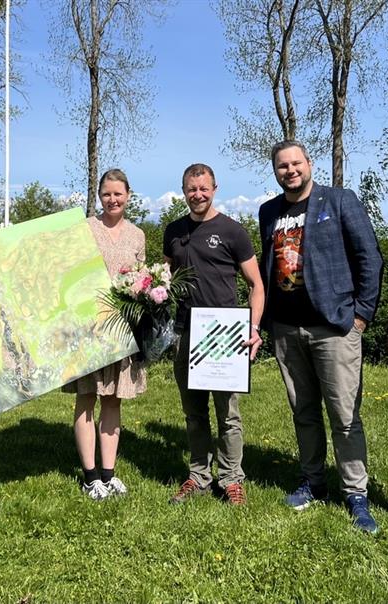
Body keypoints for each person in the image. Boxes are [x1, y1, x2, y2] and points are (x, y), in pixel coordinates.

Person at [258, 140, 383, 533]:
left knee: (345, 416)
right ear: (275, 172)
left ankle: (356, 494)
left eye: (296, 163)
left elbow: (370, 257)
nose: (290, 171)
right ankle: (313, 483)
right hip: (286, 330)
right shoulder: (269, 212)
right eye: (282, 166)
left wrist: (361, 316)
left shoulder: (340, 201)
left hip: (334, 328)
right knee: (304, 412)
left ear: (309, 164)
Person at [163, 163, 264, 505]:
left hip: (224, 334)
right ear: (183, 190)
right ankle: (198, 475)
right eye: (192, 189)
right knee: (194, 413)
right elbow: (164, 279)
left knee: (228, 415)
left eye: (204, 188)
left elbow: (256, 285)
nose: (198, 195)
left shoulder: (233, 231)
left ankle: (232, 478)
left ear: (215, 188)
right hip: (184, 332)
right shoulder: (173, 231)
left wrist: (253, 327)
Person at [62, 168, 147, 500]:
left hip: (122, 330)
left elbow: (142, 280)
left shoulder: (137, 235)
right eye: (107, 194)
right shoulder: (85, 229)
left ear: (128, 195)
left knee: (113, 400)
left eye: (118, 194)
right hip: (88, 328)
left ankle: (109, 473)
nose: (113, 199)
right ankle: (90, 476)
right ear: (100, 196)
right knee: (87, 398)